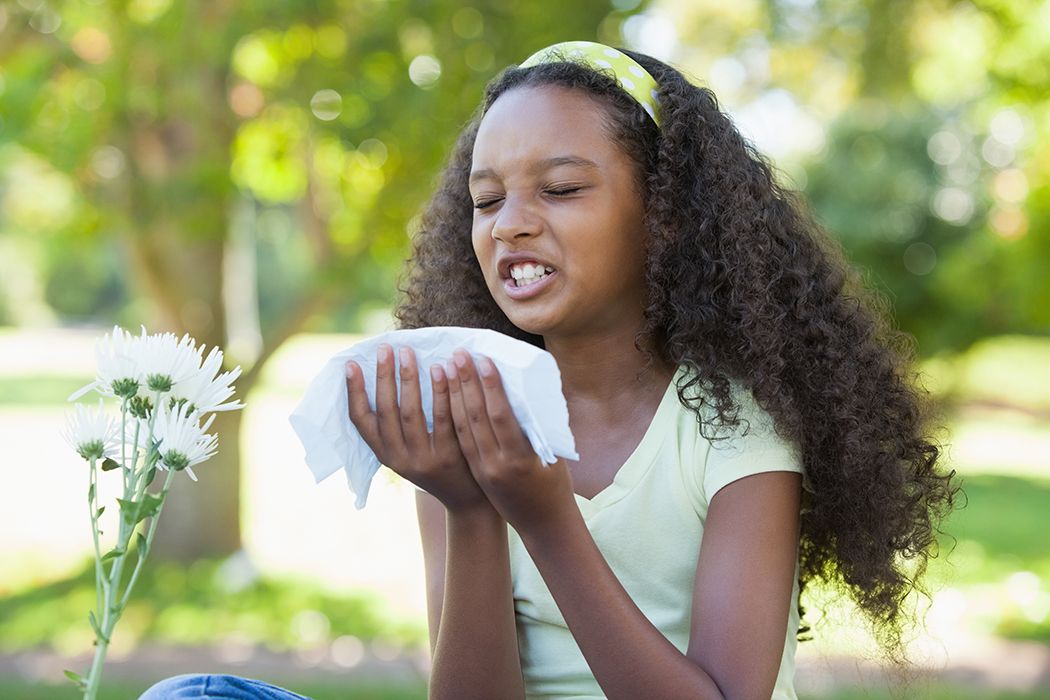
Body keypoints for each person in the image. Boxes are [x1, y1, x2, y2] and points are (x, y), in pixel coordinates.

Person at [141, 40, 958, 699]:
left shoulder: (734, 429)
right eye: (487, 200)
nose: (510, 226)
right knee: (191, 697)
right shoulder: (469, 412)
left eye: (561, 188)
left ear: (667, 218)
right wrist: (468, 509)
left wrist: (542, 515)